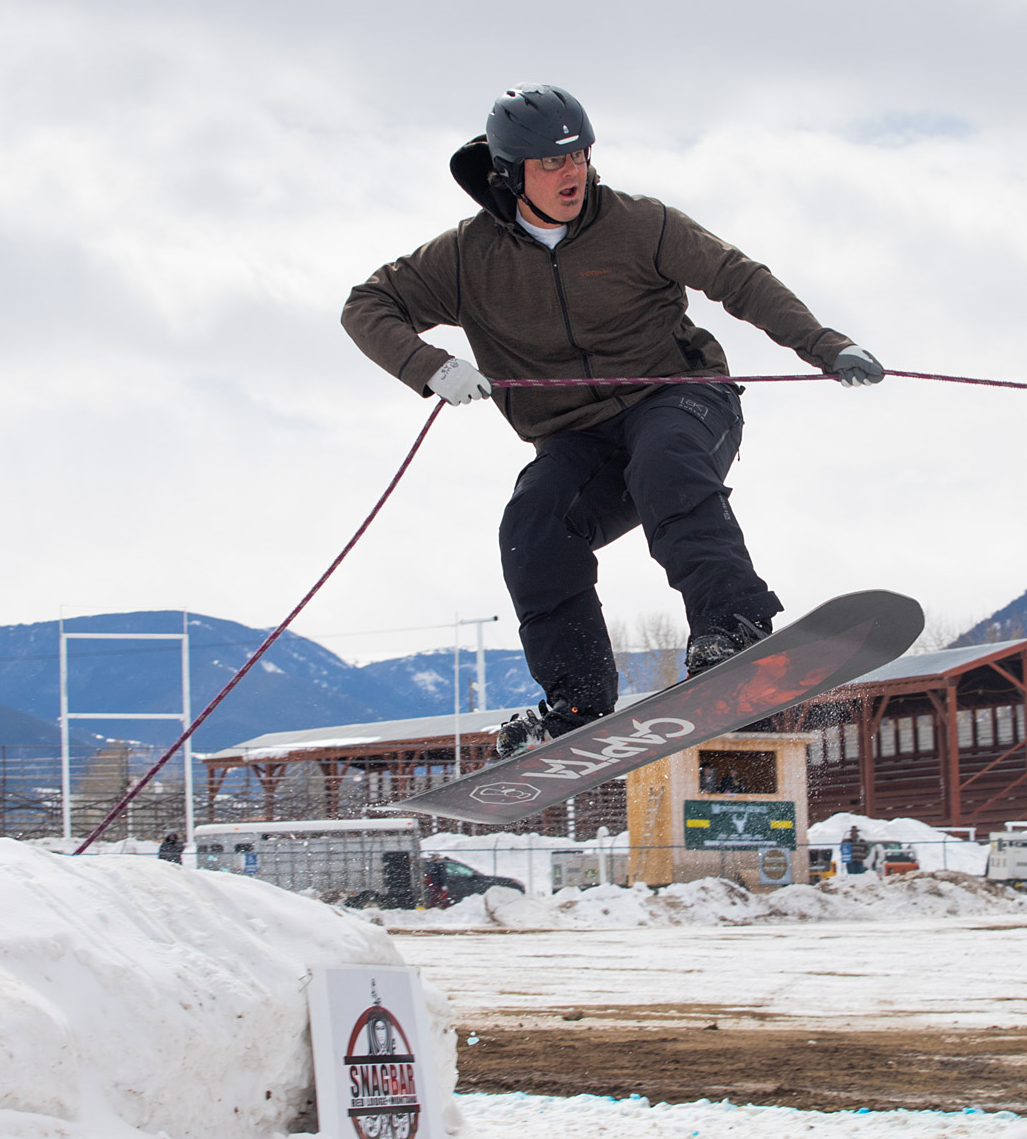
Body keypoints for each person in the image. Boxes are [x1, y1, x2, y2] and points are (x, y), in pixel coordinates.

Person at [344, 84, 884, 757]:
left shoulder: (641, 224)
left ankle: (733, 628)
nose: (572, 174)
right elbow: (367, 305)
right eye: (551, 163)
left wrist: (827, 345)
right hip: (578, 436)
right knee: (534, 520)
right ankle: (578, 697)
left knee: (665, 463)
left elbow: (739, 279)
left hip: (682, 397)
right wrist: (428, 364)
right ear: (510, 172)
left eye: (581, 156)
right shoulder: (465, 258)